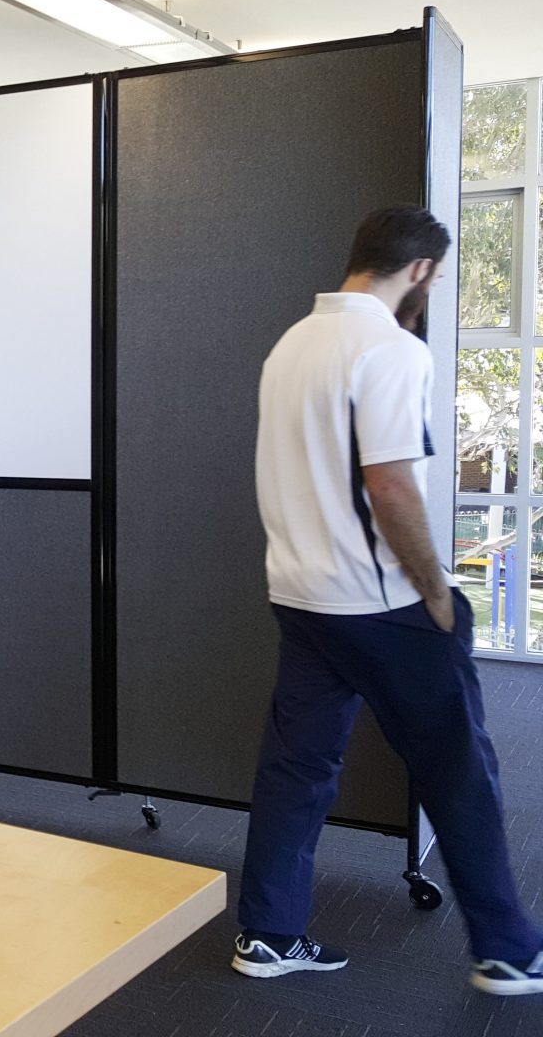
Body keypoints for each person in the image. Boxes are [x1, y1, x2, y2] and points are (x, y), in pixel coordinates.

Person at [238, 205, 543, 992]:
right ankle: (508, 950)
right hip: (381, 607)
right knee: (459, 770)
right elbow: (391, 486)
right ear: (420, 270)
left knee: (296, 769)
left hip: (301, 597)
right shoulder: (392, 351)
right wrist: (435, 591)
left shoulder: (290, 346)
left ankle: (268, 934)